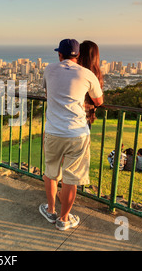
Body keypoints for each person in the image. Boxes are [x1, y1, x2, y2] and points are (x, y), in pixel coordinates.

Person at [40, 39, 104, 231]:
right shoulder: (87, 74)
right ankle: (64, 219)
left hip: (53, 131)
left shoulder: (49, 69)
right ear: (78, 56)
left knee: (51, 173)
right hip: (77, 133)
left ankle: (50, 210)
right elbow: (98, 101)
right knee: (71, 178)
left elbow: (47, 91)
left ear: (60, 54)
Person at [78, 41, 104, 130]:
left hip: (70, 120)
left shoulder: (76, 73)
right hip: (83, 121)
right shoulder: (93, 76)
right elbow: (99, 101)